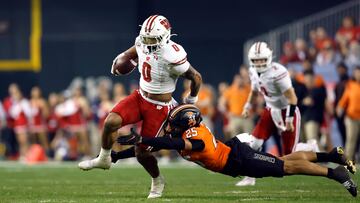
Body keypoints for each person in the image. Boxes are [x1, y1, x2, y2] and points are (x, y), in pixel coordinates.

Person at [78, 15, 202, 199]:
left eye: (153, 39)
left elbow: (196, 77)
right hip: (140, 96)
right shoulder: (142, 42)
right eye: (146, 38)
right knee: (111, 122)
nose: (148, 43)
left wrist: (191, 99)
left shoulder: (173, 54)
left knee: (141, 152)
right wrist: (121, 61)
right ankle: (104, 159)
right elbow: (130, 53)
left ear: (165, 36)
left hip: (160, 107)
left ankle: (157, 180)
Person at [116, 104, 357, 198]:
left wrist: (144, 138)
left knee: (286, 166)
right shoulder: (182, 133)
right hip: (234, 154)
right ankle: (331, 156)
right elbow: (152, 148)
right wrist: (118, 155)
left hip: (239, 160)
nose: (168, 127)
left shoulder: (191, 136)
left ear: (184, 125)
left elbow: (175, 145)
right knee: (282, 161)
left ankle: (334, 173)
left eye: (172, 123)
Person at [236, 41, 302, 186]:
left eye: (262, 59)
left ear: (269, 57)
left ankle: (311, 148)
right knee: (253, 145)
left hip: (287, 111)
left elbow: (292, 98)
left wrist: (290, 120)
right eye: (256, 60)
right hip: (270, 110)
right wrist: (247, 105)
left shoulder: (278, 72)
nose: (259, 63)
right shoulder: (253, 71)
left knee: (289, 157)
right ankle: (250, 177)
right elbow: (254, 91)